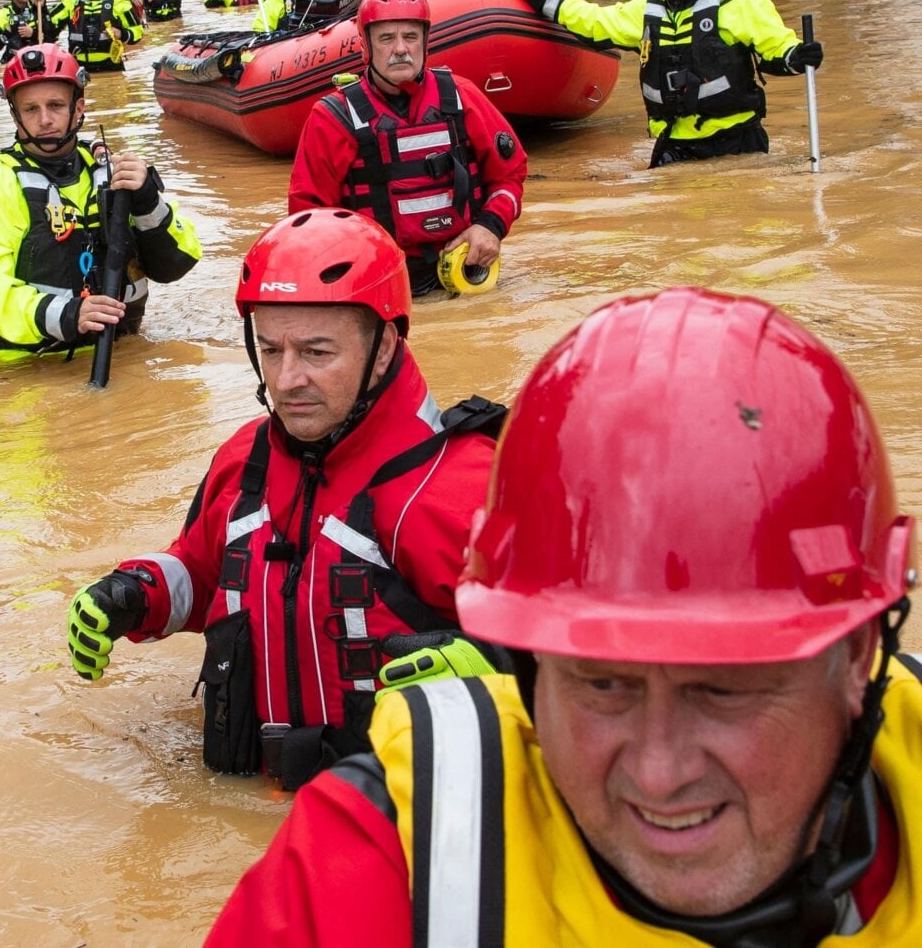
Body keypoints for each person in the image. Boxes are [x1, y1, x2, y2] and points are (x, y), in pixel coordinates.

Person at [207, 286, 922, 946]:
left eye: (724, 689)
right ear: (529, 665)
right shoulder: (388, 850)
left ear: (859, 658)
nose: (659, 773)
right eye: (601, 685)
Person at [65, 209, 501, 788]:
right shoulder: (244, 459)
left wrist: (502, 669)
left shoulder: (462, 486)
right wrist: (136, 594)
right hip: (244, 800)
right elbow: (202, 572)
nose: (287, 379)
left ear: (386, 347)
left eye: (317, 353)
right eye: (271, 350)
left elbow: (586, 671)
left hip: (387, 821)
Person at [0, 45, 199, 361]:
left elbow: (179, 261)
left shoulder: (114, 172)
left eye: (55, 105)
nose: (44, 120)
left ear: (78, 108)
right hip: (26, 367)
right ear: (15, 113)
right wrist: (70, 314)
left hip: (123, 353)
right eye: (30, 109)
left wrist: (147, 199)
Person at [510, 0, 822, 167]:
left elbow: (776, 48)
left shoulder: (739, 1)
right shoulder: (644, 12)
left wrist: (796, 56)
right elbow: (594, 21)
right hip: (675, 146)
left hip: (738, 141)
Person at [289, 0, 525, 296]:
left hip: (464, 272)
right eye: (387, 38)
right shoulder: (333, 118)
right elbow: (308, 219)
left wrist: (490, 226)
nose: (401, 48)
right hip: (378, 283)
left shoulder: (461, 97)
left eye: (410, 37)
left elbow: (510, 175)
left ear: (425, 43)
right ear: (366, 46)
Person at [48, 0, 145, 72]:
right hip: (79, 70)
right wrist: (41, 6)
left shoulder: (119, 1)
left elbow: (138, 32)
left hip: (111, 69)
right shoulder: (70, 2)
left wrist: (121, 34)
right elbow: (48, 27)